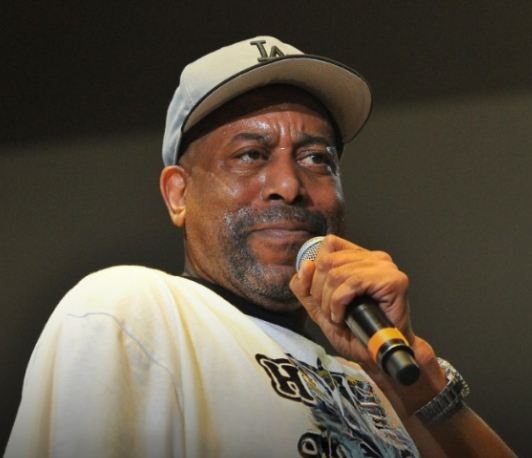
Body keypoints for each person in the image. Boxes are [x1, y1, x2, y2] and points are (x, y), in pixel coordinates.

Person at [4, 36, 517, 458]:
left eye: (317, 159)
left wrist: (415, 379)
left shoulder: (376, 381)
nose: (289, 186)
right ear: (179, 194)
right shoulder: (134, 308)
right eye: (250, 154)